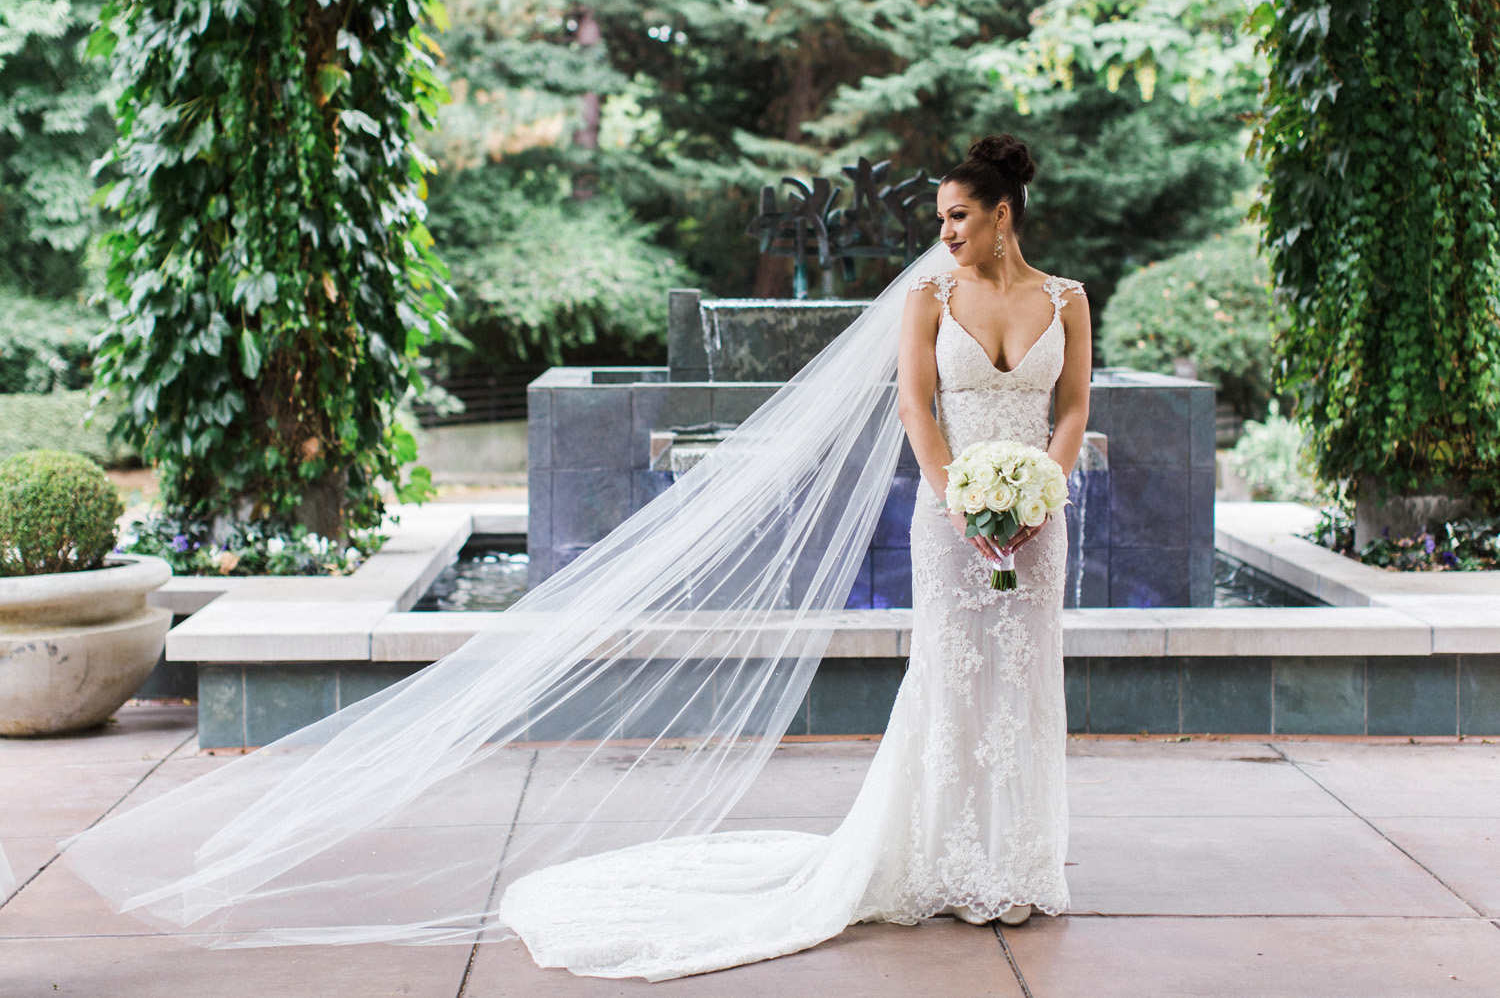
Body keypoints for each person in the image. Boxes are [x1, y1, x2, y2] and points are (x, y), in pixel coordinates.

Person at [60, 135, 1089, 981]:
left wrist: (1044, 487)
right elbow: (915, 404)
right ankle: (945, 861)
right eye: (941, 219)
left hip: (1041, 522)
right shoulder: (928, 303)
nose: (942, 234)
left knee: (1025, 688)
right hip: (950, 522)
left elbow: (1074, 405)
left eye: (957, 218)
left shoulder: (1069, 300)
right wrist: (960, 496)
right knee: (952, 685)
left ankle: (1020, 863)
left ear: (1003, 214)